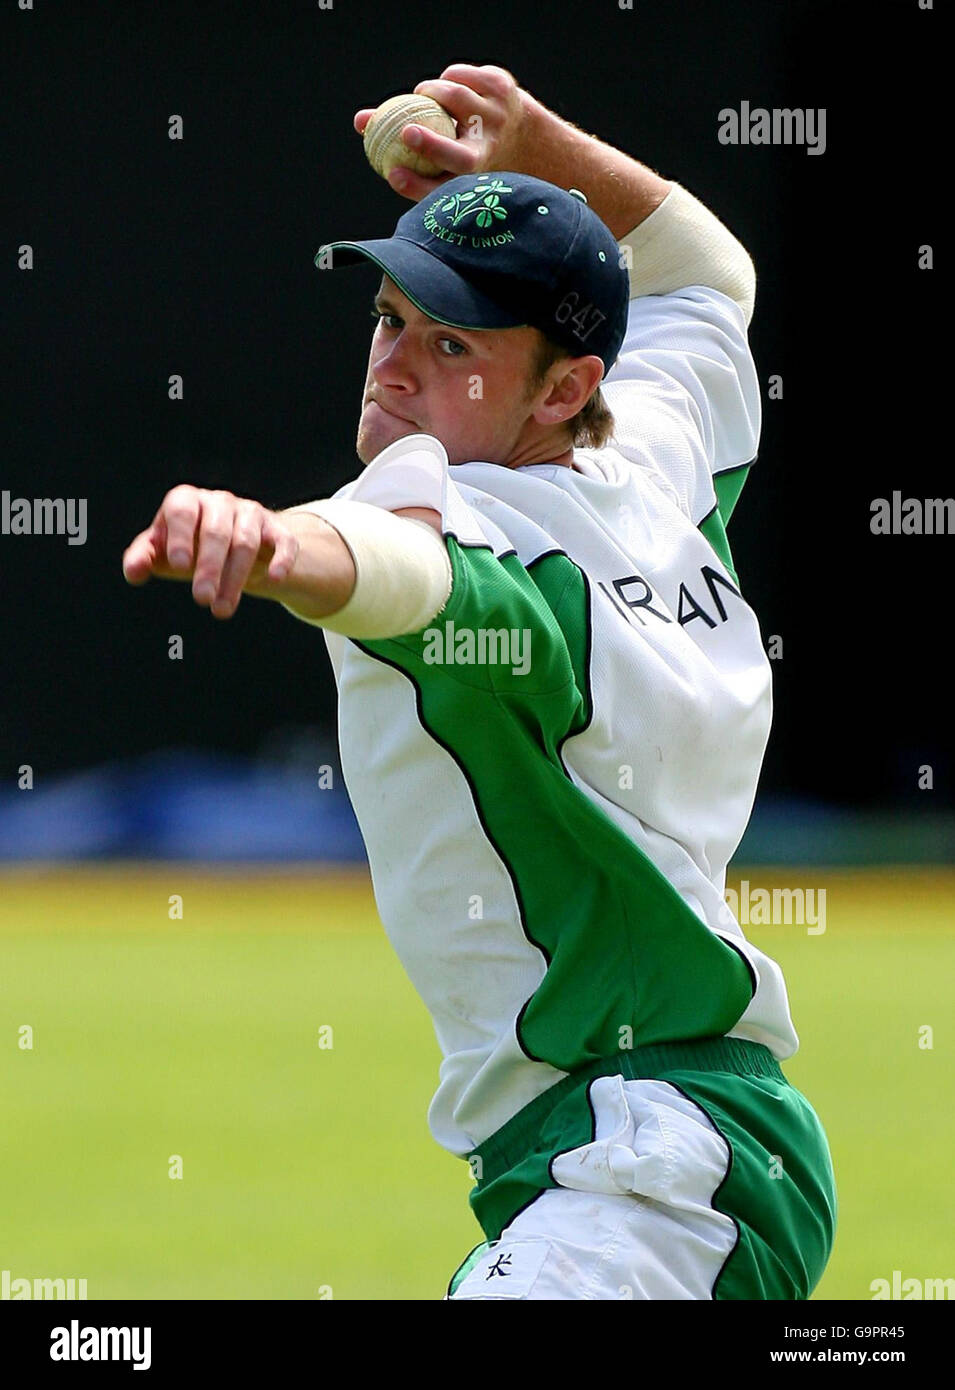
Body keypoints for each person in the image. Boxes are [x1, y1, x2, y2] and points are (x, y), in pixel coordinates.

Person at [123, 63, 836, 1300]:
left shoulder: (470, 531)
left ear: (564, 387)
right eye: (390, 315)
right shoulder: (652, 454)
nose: (393, 364)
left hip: (645, 1177)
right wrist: (540, 140)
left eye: (450, 341)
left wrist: (274, 542)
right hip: (691, 1148)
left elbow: (415, 577)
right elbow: (710, 276)